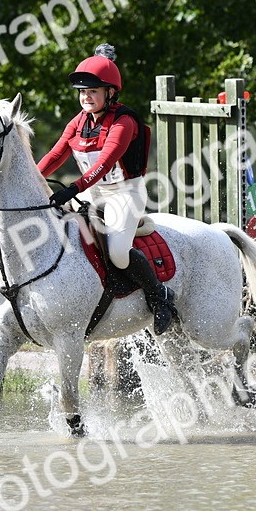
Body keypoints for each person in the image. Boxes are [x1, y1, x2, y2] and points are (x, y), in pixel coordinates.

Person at [38, 43, 176, 334]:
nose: (86, 97)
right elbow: (54, 155)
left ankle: (161, 297)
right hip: (92, 192)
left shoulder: (124, 122)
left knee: (118, 254)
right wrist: (33, 178)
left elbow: (103, 163)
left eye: (93, 92)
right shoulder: (78, 122)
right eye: (83, 92)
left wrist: (71, 189)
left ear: (110, 93)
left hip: (124, 193)